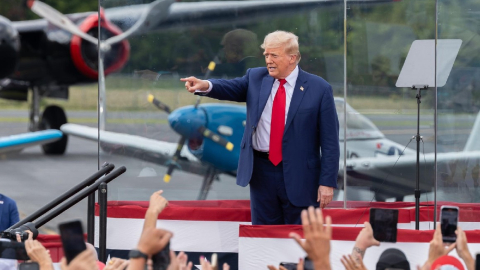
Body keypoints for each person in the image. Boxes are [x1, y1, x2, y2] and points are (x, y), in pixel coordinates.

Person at [181, 30, 340, 225]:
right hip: (262, 173)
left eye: (274, 55)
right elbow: (230, 87)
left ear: (293, 58)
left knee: (301, 241)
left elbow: (330, 141)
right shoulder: (256, 78)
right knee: (262, 238)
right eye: (266, 55)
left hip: (302, 177)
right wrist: (204, 84)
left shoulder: (319, 88)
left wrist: (327, 183)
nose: (268, 60)